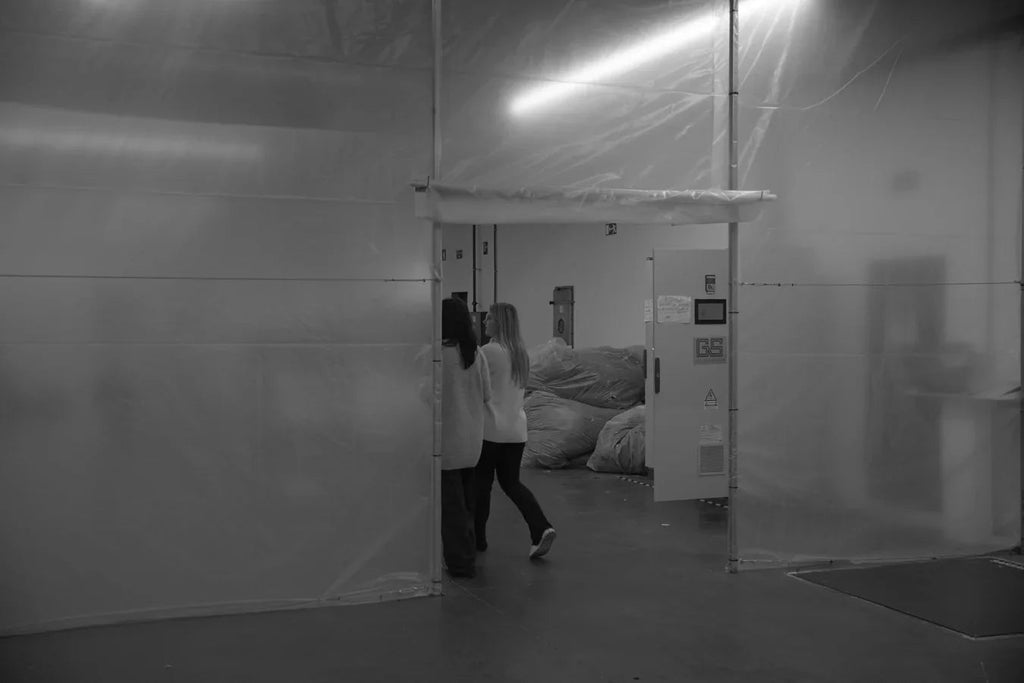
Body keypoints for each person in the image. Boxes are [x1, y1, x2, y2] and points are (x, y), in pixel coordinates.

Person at [475, 302, 556, 559]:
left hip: (490, 430)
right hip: (516, 431)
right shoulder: (521, 353)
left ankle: (478, 540)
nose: (484, 322)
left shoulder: (488, 351)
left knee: (481, 486)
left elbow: (476, 386)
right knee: (512, 484)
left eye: (488, 318)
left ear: (499, 322)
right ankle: (540, 527)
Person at [440, 297, 491, 578]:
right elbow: (487, 394)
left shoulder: (436, 354)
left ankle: (460, 562)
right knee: (467, 502)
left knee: (451, 506)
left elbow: (424, 394)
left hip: (446, 441)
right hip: (473, 439)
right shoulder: (476, 353)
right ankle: (467, 552)